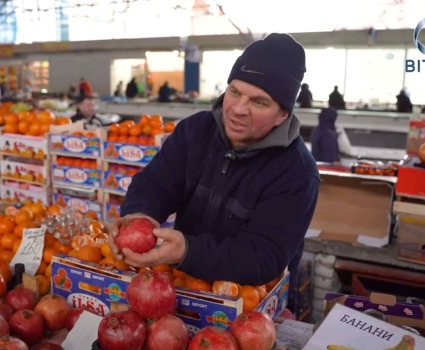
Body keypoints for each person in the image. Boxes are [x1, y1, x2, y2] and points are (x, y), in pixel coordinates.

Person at [107, 33, 320, 313]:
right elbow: (155, 183)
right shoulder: (195, 131)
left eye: (258, 102)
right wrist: (138, 216)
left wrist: (189, 251)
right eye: (235, 92)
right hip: (181, 287)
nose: (238, 109)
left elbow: (264, 257)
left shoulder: (297, 173)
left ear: (282, 115)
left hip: (250, 304)